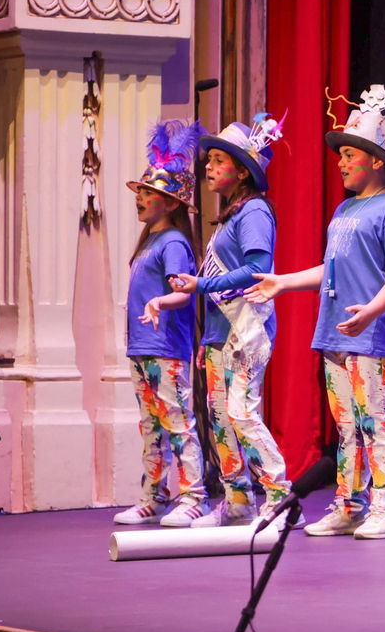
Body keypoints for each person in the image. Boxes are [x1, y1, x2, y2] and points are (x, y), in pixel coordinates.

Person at [246, 86, 385, 540]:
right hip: (335, 334)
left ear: (376, 160)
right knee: (346, 427)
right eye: (340, 154)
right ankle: (351, 502)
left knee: (376, 421)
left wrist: (370, 312)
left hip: (370, 334)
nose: (340, 163)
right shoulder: (343, 210)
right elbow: (332, 267)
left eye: (349, 154)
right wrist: (283, 281)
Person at [168, 114, 294, 527]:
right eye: (210, 160)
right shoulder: (230, 215)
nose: (208, 166)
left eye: (219, 160)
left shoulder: (254, 211)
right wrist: (207, 340)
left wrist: (200, 285)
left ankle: (280, 496)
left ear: (242, 171)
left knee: (240, 413)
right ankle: (238, 500)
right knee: (221, 418)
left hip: (247, 329)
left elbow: (258, 270)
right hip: (223, 333)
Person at [115, 119, 210, 527]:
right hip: (142, 347)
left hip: (165, 346)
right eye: (142, 191)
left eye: (151, 193)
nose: (142, 198)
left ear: (171, 203)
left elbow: (184, 291)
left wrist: (159, 301)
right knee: (152, 426)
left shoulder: (173, 242)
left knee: (177, 422)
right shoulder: (150, 241)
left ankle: (194, 496)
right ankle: (154, 495)